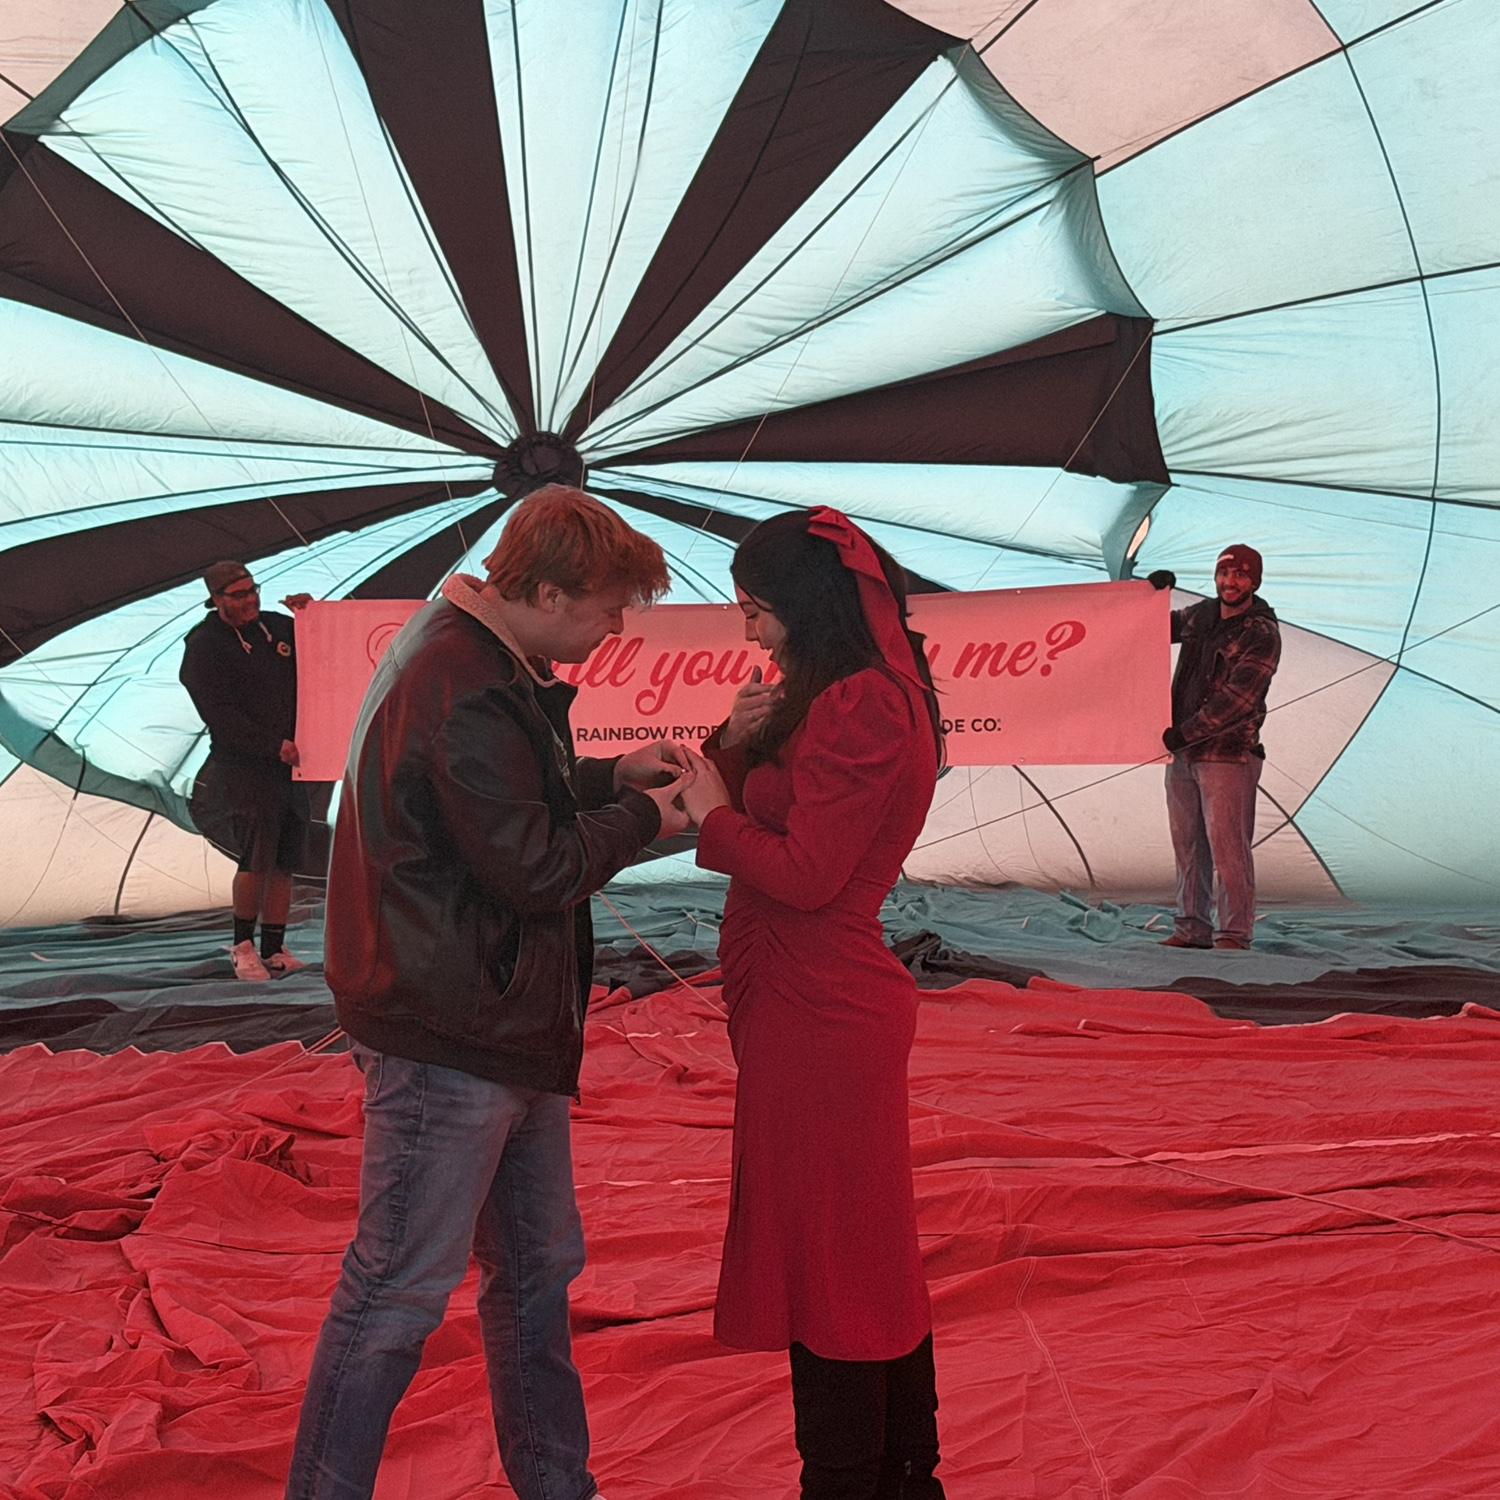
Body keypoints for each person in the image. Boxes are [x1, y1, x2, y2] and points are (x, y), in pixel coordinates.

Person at [286, 485, 692, 1500]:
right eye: (608, 609)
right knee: (398, 1292)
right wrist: (648, 821)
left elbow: (497, 800)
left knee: (537, 1271)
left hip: (494, 1018)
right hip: (451, 1029)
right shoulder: (463, 681)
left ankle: (557, 1484)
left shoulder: (475, 657)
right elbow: (535, 865)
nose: (615, 630)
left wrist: (609, 778)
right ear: (549, 593)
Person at [679, 508, 947, 1500]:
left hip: (821, 1004)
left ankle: (852, 1477)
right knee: (851, 1252)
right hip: (798, 998)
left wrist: (713, 814)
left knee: (836, 1262)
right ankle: (897, 1474)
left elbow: (807, 874)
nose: (748, 629)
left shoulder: (864, 702)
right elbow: (770, 809)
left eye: (756, 608)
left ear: (804, 601)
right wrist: (732, 740)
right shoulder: (831, 694)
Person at [179, 560, 312, 981]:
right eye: (239, 595)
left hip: (292, 762)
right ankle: (242, 946)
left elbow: (326, 654)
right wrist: (271, 746)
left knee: (286, 858)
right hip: (245, 765)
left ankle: (274, 947)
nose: (251, 600)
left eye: (254, 590)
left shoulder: (276, 627)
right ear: (216, 600)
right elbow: (219, 714)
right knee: (256, 856)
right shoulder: (204, 646)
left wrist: (310, 616)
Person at [1146, 543, 1281, 951]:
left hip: (1228, 754)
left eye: (1240, 575)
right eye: (1224, 573)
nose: (1230, 582)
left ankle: (1234, 934)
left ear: (1254, 582)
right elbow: (1146, 630)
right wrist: (1150, 596)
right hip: (1184, 752)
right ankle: (1191, 927)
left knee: (1228, 849)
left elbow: (1237, 700)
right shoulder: (1202, 616)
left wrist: (1186, 732)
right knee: (1187, 845)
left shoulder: (1261, 633)